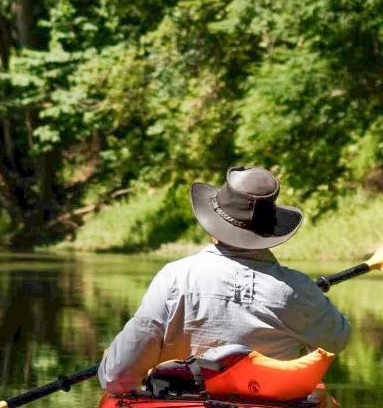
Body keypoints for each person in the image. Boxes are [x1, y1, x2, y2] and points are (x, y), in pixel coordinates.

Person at [98, 166, 351, 394]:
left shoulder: (175, 277)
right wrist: (309, 300)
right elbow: (338, 338)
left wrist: (109, 363)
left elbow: (117, 378)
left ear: (213, 225)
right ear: (269, 231)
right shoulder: (299, 289)